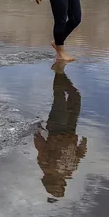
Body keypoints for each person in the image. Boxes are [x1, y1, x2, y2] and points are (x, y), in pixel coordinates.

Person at [33, 66, 87, 199]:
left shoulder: (46, 166)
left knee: (60, 97)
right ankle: (60, 73)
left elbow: (41, 149)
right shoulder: (68, 173)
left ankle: (59, 72)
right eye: (62, 187)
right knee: (76, 96)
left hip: (56, 128)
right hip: (70, 129)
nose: (62, 185)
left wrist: (37, 132)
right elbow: (78, 156)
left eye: (58, 187)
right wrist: (83, 144)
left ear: (50, 182)